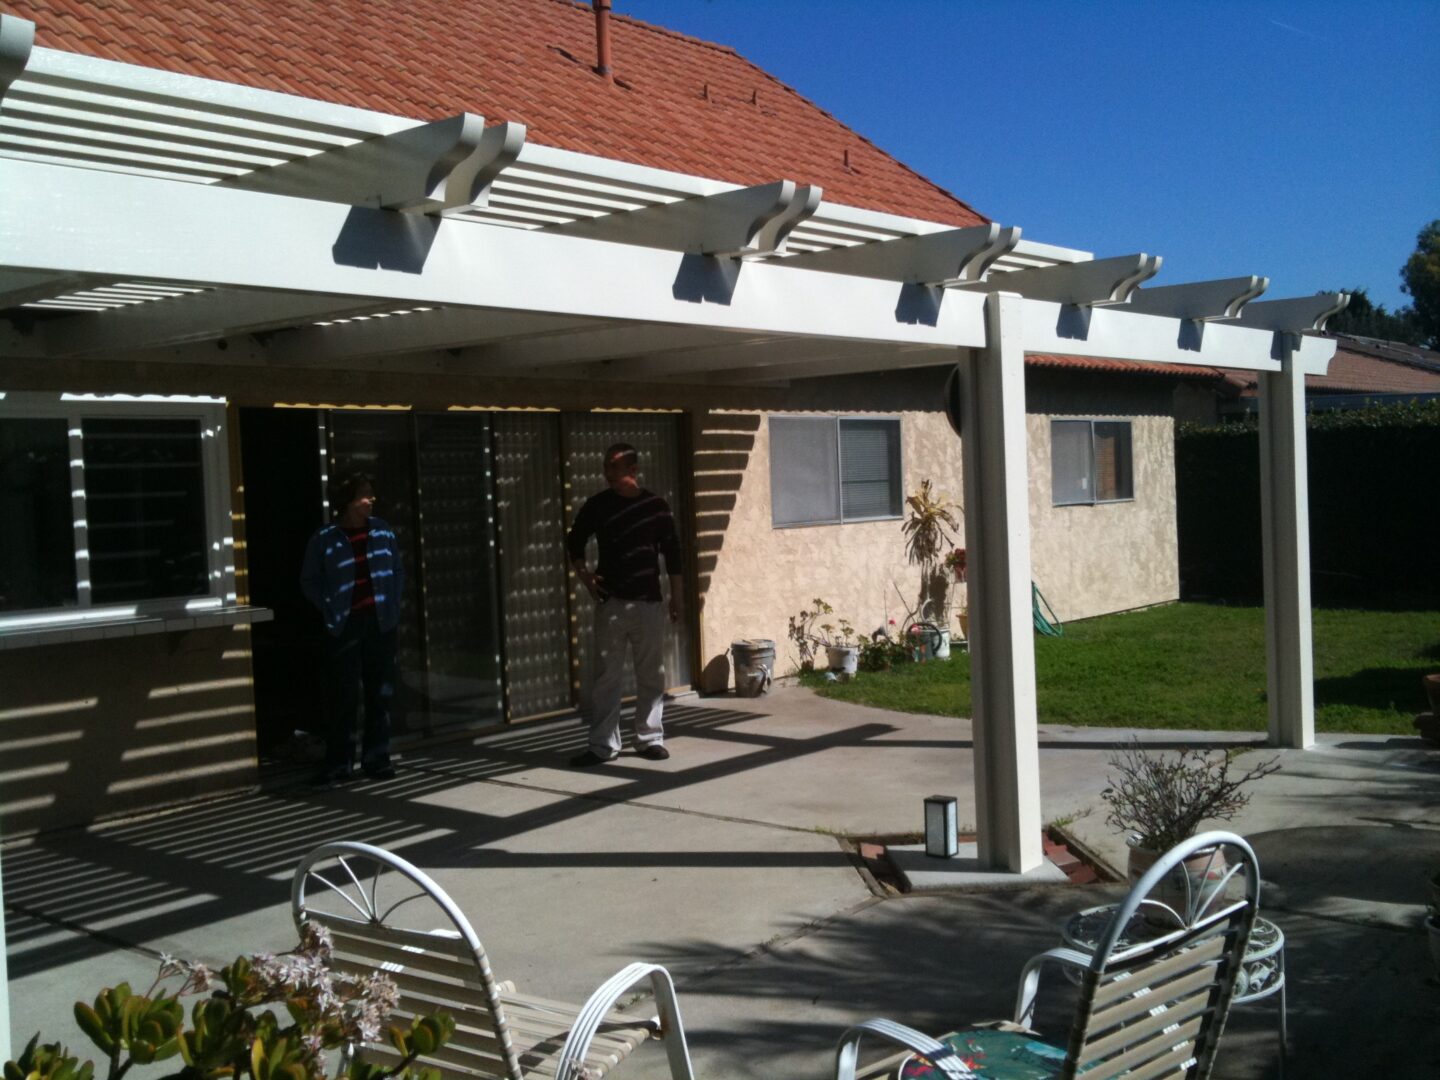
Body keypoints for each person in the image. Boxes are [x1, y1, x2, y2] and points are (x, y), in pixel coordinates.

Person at [565, 443, 683, 766]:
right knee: (607, 677)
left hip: (648, 604)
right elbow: (575, 540)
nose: (606, 472)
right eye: (605, 466)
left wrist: (677, 596)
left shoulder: (656, 507)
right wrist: (585, 576)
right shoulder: (598, 506)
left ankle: (649, 738)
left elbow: (673, 553)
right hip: (611, 603)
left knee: (651, 674)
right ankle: (603, 746)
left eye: (612, 466)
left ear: (632, 470)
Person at [300, 472, 403, 784]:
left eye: (372, 494)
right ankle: (340, 764)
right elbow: (310, 580)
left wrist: (392, 606)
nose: (371, 500)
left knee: (379, 694)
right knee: (343, 696)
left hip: (380, 623)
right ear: (348, 501)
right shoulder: (325, 538)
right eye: (364, 495)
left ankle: (377, 760)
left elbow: (396, 571)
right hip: (344, 625)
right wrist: (330, 607)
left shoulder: (383, 532)